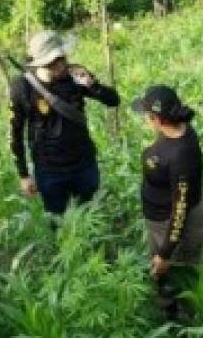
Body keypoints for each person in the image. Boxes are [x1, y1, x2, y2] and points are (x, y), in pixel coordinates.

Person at [9, 30, 120, 215]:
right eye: (54, 61)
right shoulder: (22, 86)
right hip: (49, 170)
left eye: (62, 57)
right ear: (41, 62)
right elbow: (15, 132)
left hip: (83, 163)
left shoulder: (75, 75)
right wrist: (23, 174)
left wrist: (92, 85)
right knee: (58, 221)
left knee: (92, 215)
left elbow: (113, 101)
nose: (61, 64)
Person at [131, 85, 203, 320]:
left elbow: (180, 210)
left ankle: (183, 320)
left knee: (176, 273)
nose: (145, 119)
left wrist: (164, 254)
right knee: (167, 272)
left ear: (158, 119)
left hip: (171, 223)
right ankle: (170, 307)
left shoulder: (179, 156)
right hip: (160, 218)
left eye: (147, 115)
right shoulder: (181, 130)